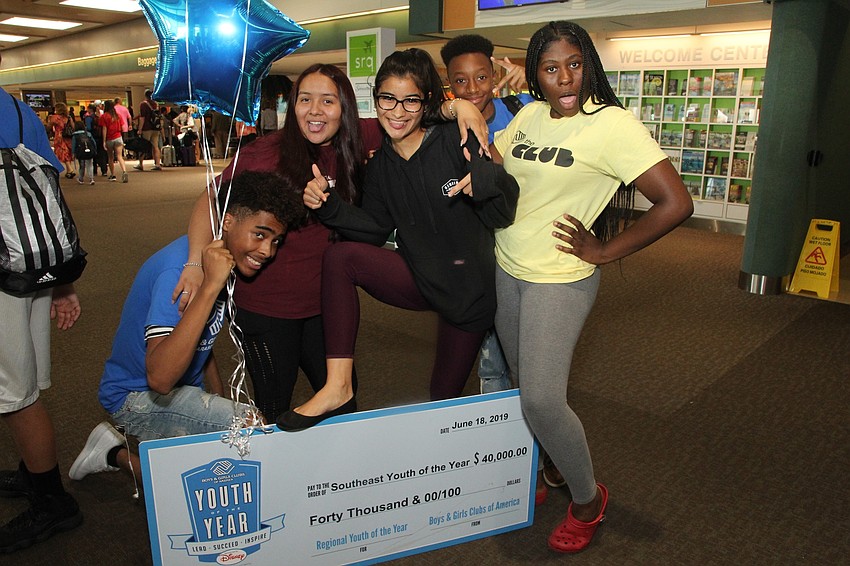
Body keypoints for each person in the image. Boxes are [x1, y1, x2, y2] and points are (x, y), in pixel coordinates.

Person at [174, 63, 488, 424]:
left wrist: (456, 106)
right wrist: (195, 264)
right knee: (274, 408)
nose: (315, 111)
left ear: (345, 109)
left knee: (342, 407)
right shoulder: (263, 154)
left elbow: (404, 111)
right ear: (292, 106)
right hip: (267, 306)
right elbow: (209, 201)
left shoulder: (359, 139)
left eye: (328, 101)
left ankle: (333, 483)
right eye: (305, 99)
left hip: (324, 304)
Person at [490, 21, 694, 553]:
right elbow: (499, 170)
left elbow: (676, 202)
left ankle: (587, 498)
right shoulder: (530, 114)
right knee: (522, 386)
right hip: (506, 266)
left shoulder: (613, 125)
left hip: (559, 279)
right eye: (551, 67)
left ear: (590, 64)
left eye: (574, 64)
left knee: (541, 398)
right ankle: (553, 465)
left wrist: (603, 250)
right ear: (536, 73)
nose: (565, 78)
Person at [278, 48, 519, 431]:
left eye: (411, 100)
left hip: (466, 297)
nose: (397, 111)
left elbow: (502, 212)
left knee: (439, 408)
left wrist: (488, 181)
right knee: (340, 258)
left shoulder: (454, 141)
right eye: (387, 98)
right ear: (376, 100)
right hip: (419, 277)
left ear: (426, 104)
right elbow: (374, 227)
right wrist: (328, 206)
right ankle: (337, 384)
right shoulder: (381, 166)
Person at [68, 171, 302, 490]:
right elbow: (160, 379)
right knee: (246, 427)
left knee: (212, 463)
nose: (267, 251)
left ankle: (113, 452)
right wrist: (209, 289)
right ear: (228, 221)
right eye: (259, 235)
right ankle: (116, 455)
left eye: (275, 241)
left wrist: (215, 398)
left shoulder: (221, 257)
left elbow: (200, 342)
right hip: (134, 396)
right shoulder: (179, 274)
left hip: (183, 387)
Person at [0, 86, 83, 553]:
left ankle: (53, 501)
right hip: (31, 263)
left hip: (4, 273)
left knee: (14, 393)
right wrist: (63, 281)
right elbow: (49, 198)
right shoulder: (15, 107)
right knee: (21, 379)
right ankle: (34, 472)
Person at [99, 99, 128, 183]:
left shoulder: (104, 116)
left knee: (110, 157)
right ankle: (124, 171)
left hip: (109, 138)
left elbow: (104, 129)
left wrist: (104, 141)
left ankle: (113, 174)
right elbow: (122, 127)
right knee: (119, 156)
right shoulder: (118, 115)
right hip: (118, 137)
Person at [135, 89, 163, 171]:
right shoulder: (156, 104)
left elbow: (142, 118)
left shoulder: (143, 104)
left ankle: (140, 164)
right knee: (155, 146)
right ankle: (157, 164)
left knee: (143, 145)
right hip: (156, 128)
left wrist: (140, 129)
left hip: (147, 128)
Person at [48, 102, 75, 179]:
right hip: (68, 137)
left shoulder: (55, 117)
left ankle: (70, 169)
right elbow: (73, 127)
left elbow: (49, 126)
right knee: (68, 152)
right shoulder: (69, 117)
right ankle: (69, 170)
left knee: (63, 152)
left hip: (59, 136)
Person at [84, 102, 108, 177]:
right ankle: (104, 170)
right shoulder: (99, 117)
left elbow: (88, 128)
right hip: (100, 137)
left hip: (92, 137)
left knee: (93, 154)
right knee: (102, 154)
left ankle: (94, 171)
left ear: (89, 109)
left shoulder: (88, 118)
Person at [70, 120, 96, 185]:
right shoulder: (88, 134)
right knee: (90, 165)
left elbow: (73, 145)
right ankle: (91, 179)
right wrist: (95, 149)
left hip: (80, 152)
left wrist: (73, 153)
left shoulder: (75, 135)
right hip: (89, 151)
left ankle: (81, 179)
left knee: (82, 165)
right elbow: (93, 142)